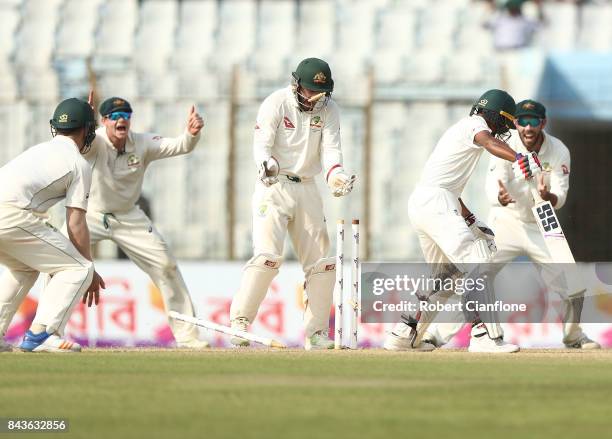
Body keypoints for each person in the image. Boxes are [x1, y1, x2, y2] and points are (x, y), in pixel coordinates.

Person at [422, 99, 600, 349]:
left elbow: (560, 196)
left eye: (533, 122)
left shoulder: (558, 150)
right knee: (476, 277)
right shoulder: (508, 145)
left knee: (572, 282)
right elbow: (494, 184)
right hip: (505, 222)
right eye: (522, 122)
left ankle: (573, 336)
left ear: (543, 123)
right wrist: (501, 197)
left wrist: (547, 195)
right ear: (515, 123)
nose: (527, 128)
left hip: (541, 224)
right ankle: (437, 335)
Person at [384, 89, 542, 353]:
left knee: (446, 278)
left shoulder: (463, 129)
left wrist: (469, 217)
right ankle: (484, 336)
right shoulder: (475, 125)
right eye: (504, 121)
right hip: (436, 204)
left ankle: (403, 335)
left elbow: (447, 186)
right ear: (494, 115)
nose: (503, 128)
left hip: (427, 201)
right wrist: (520, 158)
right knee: (476, 267)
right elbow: (490, 143)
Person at [59, 96, 208, 348]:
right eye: (115, 116)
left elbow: (180, 145)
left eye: (126, 115)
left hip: (129, 216)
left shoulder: (142, 143)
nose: (121, 120)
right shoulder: (94, 141)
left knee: (166, 265)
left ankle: (187, 336)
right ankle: (48, 331)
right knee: (58, 257)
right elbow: (74, 146)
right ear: (104, 121)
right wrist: (85, 119)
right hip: (92, 214)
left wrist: (191, 134)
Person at [229, 58, 356, 350]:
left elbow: (332, 149)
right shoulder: (276, 103)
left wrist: (336, 175)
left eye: (319, 93)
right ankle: (240, 322)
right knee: (268, 257)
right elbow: (261, 145)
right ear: (297, 85)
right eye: (309, 91)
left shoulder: (329, 110)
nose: (313, 98)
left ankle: (316, 333)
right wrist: (267, 164)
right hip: (273, 185)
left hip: (307, 187)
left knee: (322, 264)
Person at [0, 98, 104, 353]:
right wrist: (89, 269)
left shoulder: (38, 150)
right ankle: (43, 333)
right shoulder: (79, 164)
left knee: (25, 268)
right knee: (78, 268)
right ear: (87, 131)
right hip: (10, 217)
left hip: (8, 214)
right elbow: (76, 224)